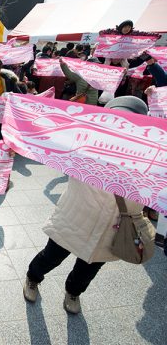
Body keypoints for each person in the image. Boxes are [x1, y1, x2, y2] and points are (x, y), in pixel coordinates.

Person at [23, 96, 152, 315]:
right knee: (51, 257)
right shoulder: (87, 144)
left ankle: (73, 292)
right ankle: (32, 278)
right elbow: (50, 140)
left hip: (112, 228)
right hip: (75, 216)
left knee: (88, 269)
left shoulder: (150, 158)